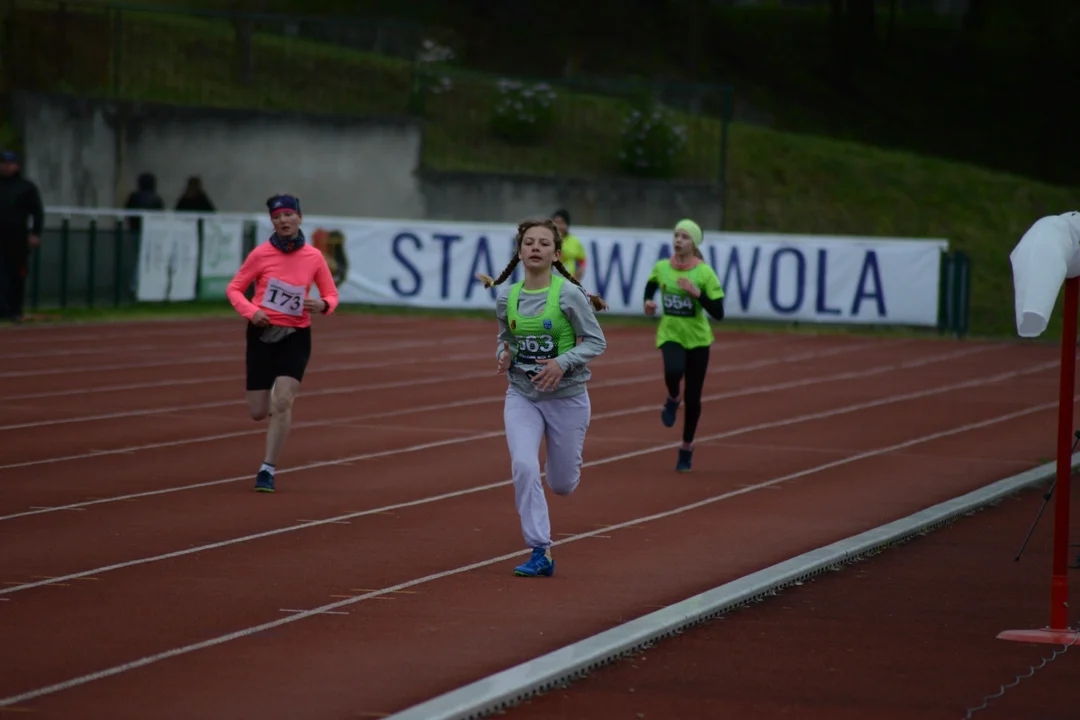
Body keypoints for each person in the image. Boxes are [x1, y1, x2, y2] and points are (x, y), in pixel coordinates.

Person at [477, 218, 608, 578]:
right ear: (519, 252)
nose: (535, 248)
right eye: (529, 243)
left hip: (567, 398)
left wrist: (561, 363)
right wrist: (503, 354)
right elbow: (506, 338)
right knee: (524, 466)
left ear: (556, 253)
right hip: (522, 394)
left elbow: (597, 342)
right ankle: (540, 549)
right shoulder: (508, 295)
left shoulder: (568, 294)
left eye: (543, 243)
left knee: (561, 484)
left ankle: (561, 471)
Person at [226, 193, 340, 493]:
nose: (283, 221)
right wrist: (253, 312)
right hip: (262, 334)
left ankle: (267, 469)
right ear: (272, 223)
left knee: (283, 400)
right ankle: (273, 403)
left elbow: (331, 294)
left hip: (296, 335)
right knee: (258, 411)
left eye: (288, 215)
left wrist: (323, 305)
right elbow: (235, 289)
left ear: (299, 218)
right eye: (277, 218)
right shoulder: (260, 254)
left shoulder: (314, 257)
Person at [642, 218, 725, 472]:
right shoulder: (662, 267)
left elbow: (719, 312)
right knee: (673, 371)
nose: (678, 240)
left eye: (685, 237)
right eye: (676, 235)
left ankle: (686, 447)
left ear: (694, 243)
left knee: (694, 398)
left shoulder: (704, 273)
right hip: (671, 333)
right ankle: (672, 396)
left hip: (698, 339)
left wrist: (696, 294)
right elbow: (651, 285)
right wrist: (648, 302)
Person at [0, 150, 44, 323]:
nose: (5, 167)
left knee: (16, 275)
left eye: (9, 163)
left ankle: (14, 309)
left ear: (16, 166)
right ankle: (2, 309)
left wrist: (36, 233)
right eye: (3, 163)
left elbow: (37, 212)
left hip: (17, 238)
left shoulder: (26, 187)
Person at [551, 209, 587, 282]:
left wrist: (579, 273)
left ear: (567, 224)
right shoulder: (547, 240)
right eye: (556, 223)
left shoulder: (574, 241)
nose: (558, 226)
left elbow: (582, 259)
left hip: (568, 281)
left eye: (561, 223)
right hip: (551, 281)